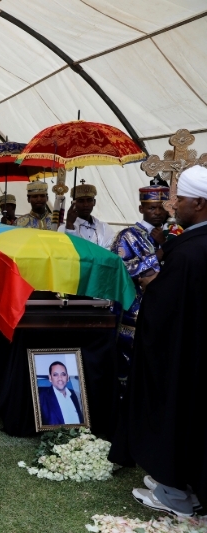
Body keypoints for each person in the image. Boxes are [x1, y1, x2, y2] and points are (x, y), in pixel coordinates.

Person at [124, 165, 207, 517]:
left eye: (180, 200)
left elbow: (165, 304)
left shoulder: (189, 251)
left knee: (177, 412)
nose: (173, 207)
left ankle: (176, 492)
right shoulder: (183, 242)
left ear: (200, 203)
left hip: (182, 354)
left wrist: (151, 286)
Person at [109, 185, 169, 393]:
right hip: (134, 311)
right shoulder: (127, 236)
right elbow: (121, 269)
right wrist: (158, 254)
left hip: (165, 309)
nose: (158, 212)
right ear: (141, 208)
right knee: (130, 361)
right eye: (152, 208)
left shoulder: (174, 234)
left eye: (162, 207)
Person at [60, 183, 114, 247]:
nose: (86, 205)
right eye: (81, 201)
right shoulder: (63, 228)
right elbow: (66, 249)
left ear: (94, 202)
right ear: (73, 203)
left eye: (89, 200)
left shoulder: (104, 227)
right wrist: (69, 225)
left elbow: (112, 249)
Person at [38, 361, 83, 425]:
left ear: (67, 377)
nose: (60, 378)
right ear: (50, 378)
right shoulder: (41, 397)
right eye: (55, 375)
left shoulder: (74, 394)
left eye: (63, 374)